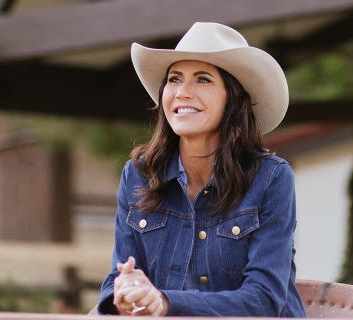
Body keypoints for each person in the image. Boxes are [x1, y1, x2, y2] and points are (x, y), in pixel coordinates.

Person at [97, 22, 306, 317]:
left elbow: (264, 298)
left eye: (203, 80)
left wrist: (167, 302)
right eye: (174, 79)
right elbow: (116, 279)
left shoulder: (271, 178)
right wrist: (126, 293)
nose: (182, 92)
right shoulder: (138, 174)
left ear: (232, 98)